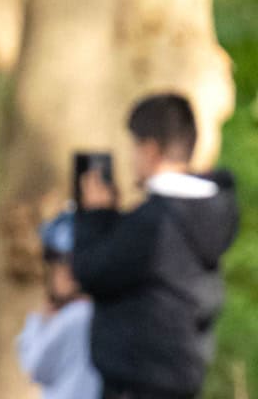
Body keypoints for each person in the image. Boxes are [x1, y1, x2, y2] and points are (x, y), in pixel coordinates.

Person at [73, 93, 239, 399]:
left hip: (137, 384)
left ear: (150, 151)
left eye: (134, 148)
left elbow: (91, 271)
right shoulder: (207, 213)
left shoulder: (156, 223)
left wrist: (96, 216)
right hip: (180, 382)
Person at [16, 210, 102, 399]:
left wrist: (39, 320)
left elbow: (35, 366)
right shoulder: (95, 312)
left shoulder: (77, 315)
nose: (61, 274)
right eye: (58, 265)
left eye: (67, 266)